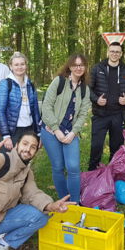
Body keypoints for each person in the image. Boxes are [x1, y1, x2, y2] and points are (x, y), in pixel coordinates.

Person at [40, 54, 91, 203]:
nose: (78, 67)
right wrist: (56, 130)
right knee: (58, 167)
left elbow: (82, 114)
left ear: (85, 67)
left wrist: (74, 132)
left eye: (81, 65)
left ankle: (75, 202)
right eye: (75, 65)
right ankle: (64, 200)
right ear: (69, 66)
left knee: (73, 168)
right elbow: (46, 107)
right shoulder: (59, 82)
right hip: (51, 131)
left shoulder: (84, 89)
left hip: (70, 133)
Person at [88, 41, 125, 171]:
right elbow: (88, 89)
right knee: (96, 146)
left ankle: (113, 174)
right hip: (100, 114)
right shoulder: (97, 69)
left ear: (121, 54)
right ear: (108, 52)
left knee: (116, 148)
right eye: (112, 51)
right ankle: (92, 174)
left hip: (119, 115)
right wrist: (96, 99)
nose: (114, 54)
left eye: (117, 52)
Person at [0, 52, 41, 150]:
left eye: (22, 64)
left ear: (26, 65)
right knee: (9, 161)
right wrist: (6, 135)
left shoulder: (30, 85)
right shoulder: (5, 84)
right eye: (16, 64)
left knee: (26, 160)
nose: (19, 67)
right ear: (11, 66)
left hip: (29, 129)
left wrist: (38, 132)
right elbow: (0, 112)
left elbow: (35, 110)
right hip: (13, 131)